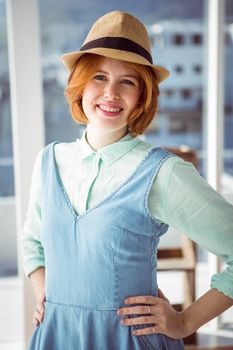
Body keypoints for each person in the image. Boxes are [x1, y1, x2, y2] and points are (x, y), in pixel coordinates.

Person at [21, 10, 233, 350]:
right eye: (99, 77)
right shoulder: (48, 161)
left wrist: (185, 321)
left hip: (127, 341)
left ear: (142, 96)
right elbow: (33, 242)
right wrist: (49, 294)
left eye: (128, 81)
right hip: (55, 336)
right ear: (80, 83)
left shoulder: (164, 171)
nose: (111, 93)